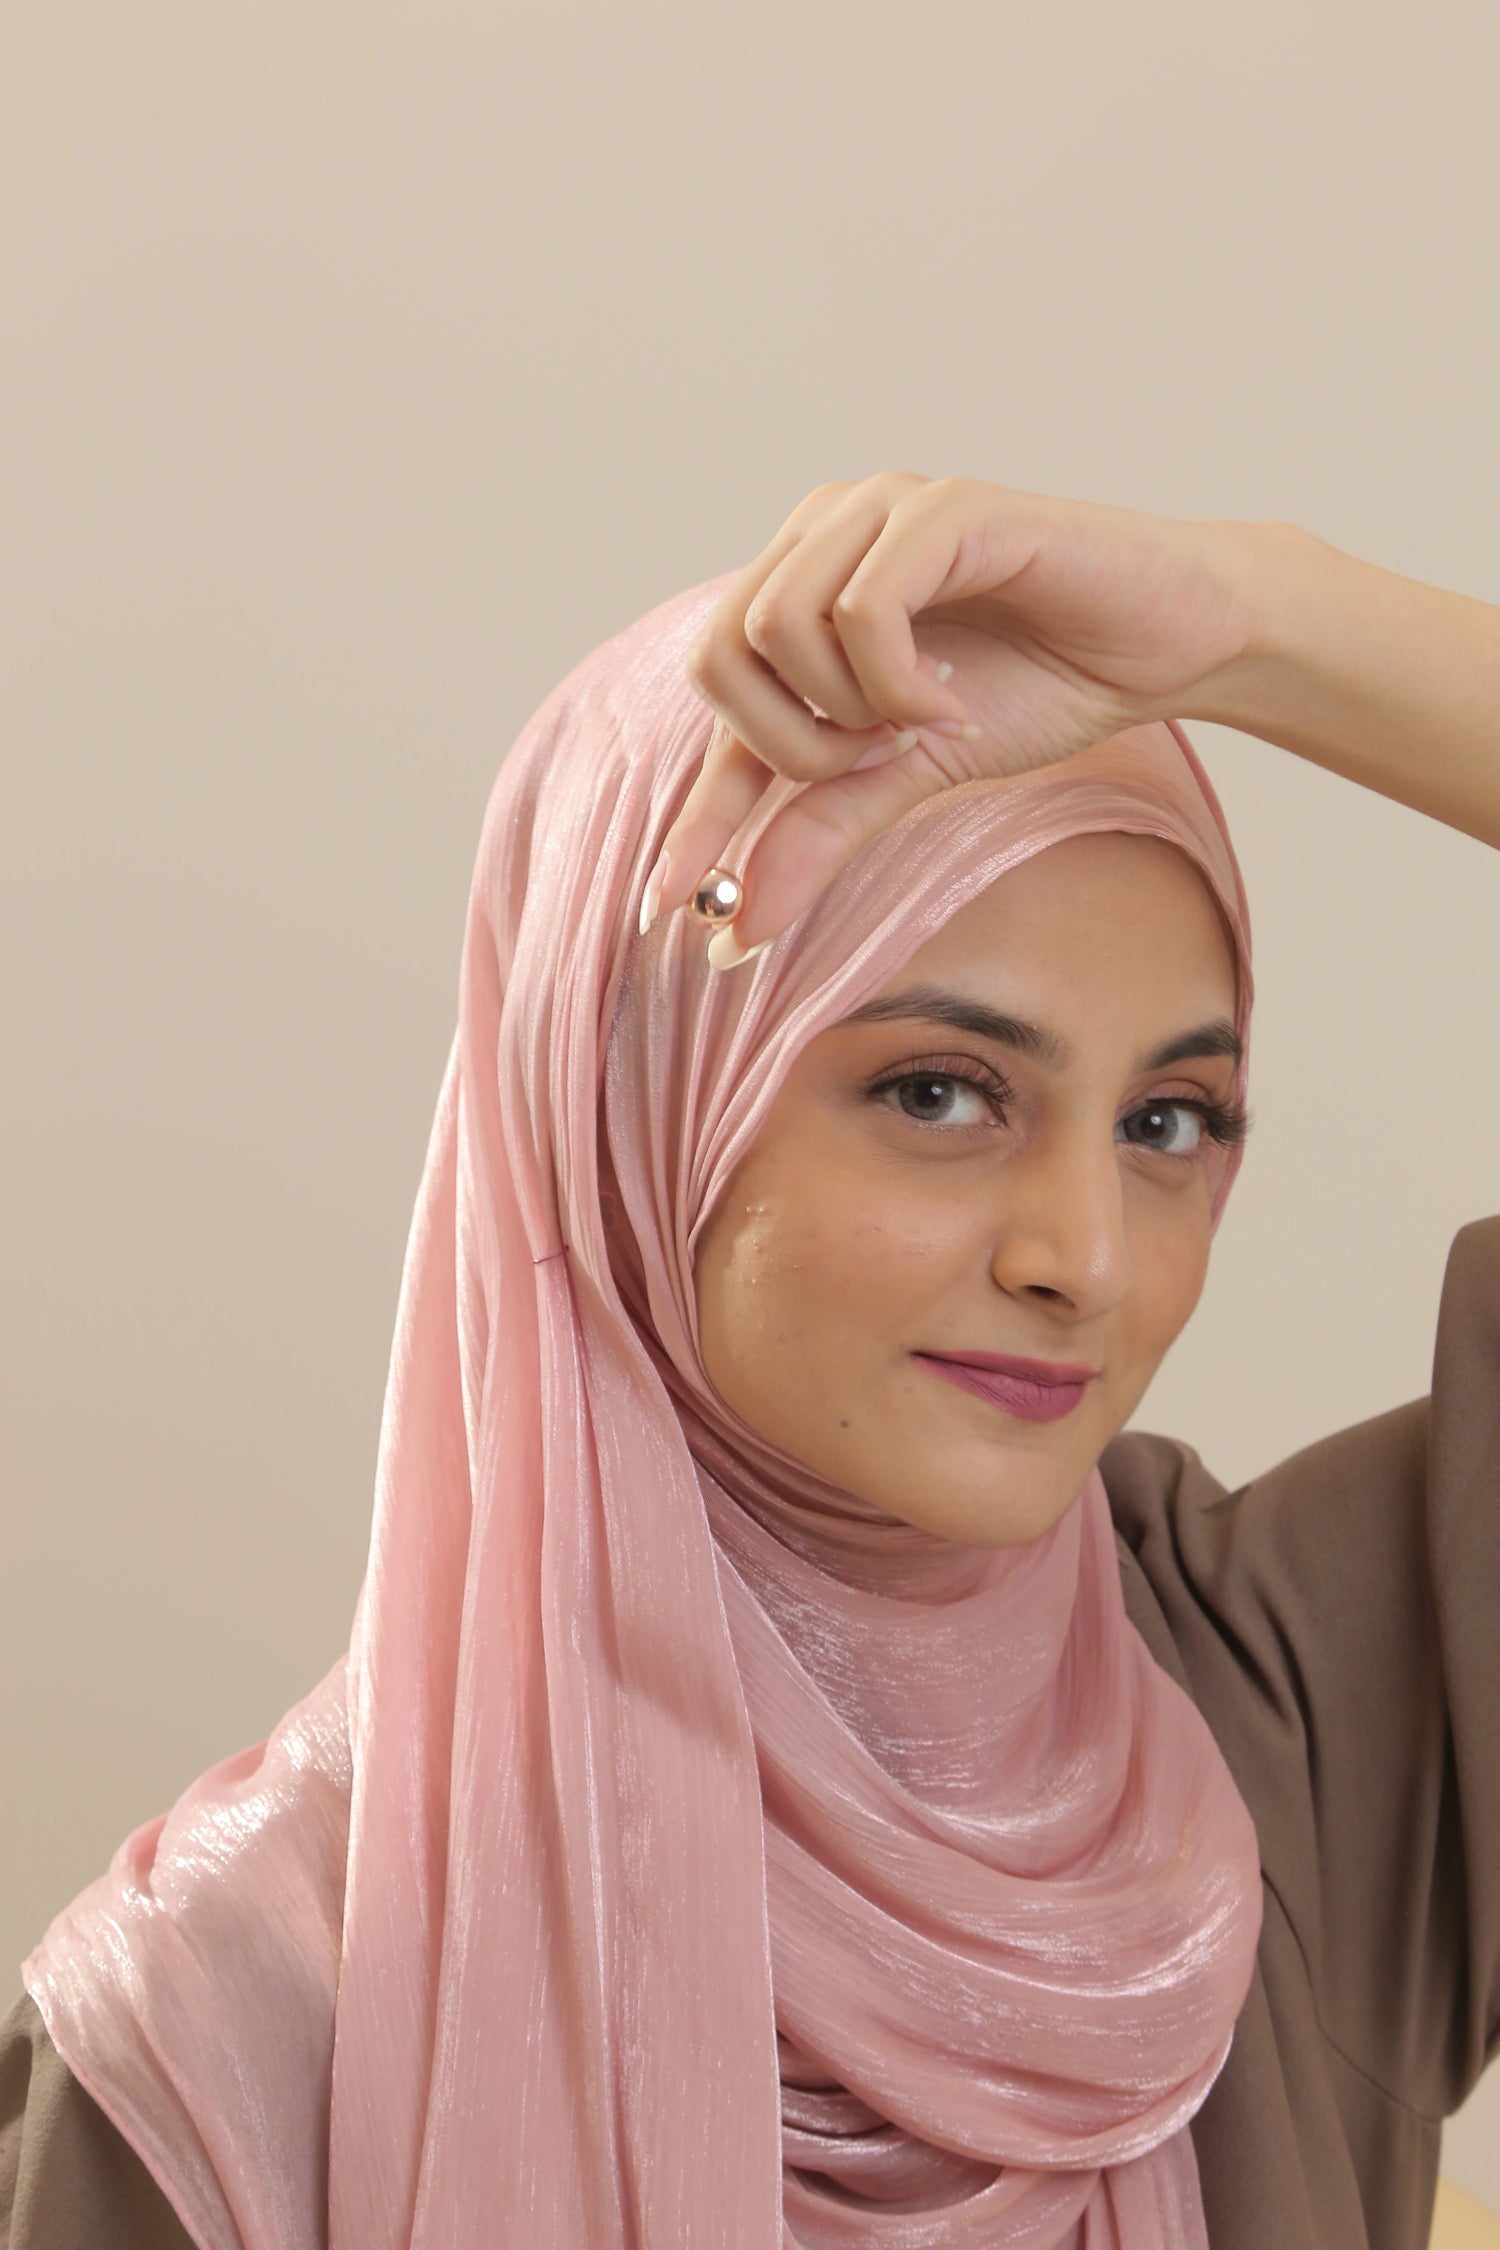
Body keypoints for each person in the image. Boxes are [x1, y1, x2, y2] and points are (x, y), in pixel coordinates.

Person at [1, 476, 1496, 2250]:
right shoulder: (227, 2037)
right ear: (626, 1101)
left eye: (1170, 1118)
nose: (1083, 1255)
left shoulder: (1301, 1736)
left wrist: (1257, 617)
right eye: (940, 1091)